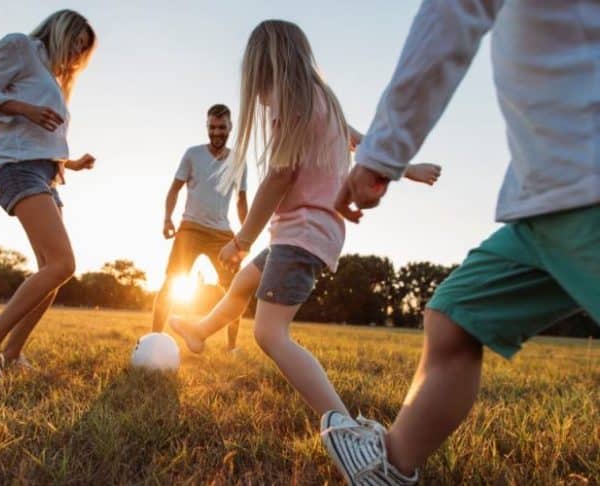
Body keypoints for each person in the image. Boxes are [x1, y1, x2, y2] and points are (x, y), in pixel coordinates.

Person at [325, 1, 600, 484]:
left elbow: (453, 13)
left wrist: (383, 153)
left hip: (584, 185)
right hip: (547, 195)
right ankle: (388, 469)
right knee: (456, 315)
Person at [170, 20, 439, 479]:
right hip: (301, 232)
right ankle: (199, 330)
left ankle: (352, 434)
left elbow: (277, 177)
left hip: (302, 232)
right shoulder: (323, 100)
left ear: (266, 70)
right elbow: (361, 141)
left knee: (270, 334)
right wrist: (406, 168)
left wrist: (241, 239)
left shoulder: (292, 106)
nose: (256, 94)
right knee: (242, 285)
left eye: (256, 81)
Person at [0, 10, 97, 385]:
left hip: (45, 173)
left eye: (82, 52)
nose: (75, 57)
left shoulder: (52, 76)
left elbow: (43, 137)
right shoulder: (20, 46)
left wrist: (72, 162)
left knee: (53, 273)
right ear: (61, 31)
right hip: (17, 168)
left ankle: (12, 353)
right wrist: (24, 108)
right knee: (62, 263)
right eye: (75, 45)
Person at [152, 104, 248, 351]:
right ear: (207, 127)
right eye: (212, 127)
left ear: (230, 128)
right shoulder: (192, 154)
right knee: (171, 283)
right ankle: (154, 341)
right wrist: (167, 218)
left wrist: (245, 237)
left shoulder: (238, 161)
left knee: (235, 290)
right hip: (190, 228)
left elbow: (241, 201)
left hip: (222, 234)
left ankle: (231, 348)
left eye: (222, 128)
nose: (216, 132)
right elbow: (174, 189)